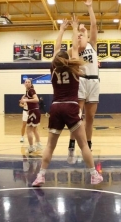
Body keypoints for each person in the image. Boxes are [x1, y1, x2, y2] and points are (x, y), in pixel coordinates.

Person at [31, 17, 102, 187]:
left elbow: (57, 48)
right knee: (84, 144)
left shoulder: (53, 67)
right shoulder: (74, 67)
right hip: (71, 107)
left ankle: (40, 176)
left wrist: (62, 29)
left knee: (49, 146)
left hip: (55, 107)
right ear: (68, 59)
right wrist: (76, 28)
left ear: (56, 59)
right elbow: (76, 47)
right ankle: (94, 175)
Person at [67, 0, 100, 154]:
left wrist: (89, 7)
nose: (80, 36)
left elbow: (93, 25)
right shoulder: (74, 50)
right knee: (77, 115)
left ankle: (88, 144)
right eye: (78, 35)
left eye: (83, 35)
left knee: (90, 118)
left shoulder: (92, 46)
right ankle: (72, 143)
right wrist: (77, 32)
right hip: (80, 82)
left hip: (94, 82)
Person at [22, 78, 43, 153]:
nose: (27, 83)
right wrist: (28, 110)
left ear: (31, 84)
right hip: (34, 111)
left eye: (28, 82)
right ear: (24, 84)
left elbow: (36, 100)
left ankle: (31, 147)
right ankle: (39, 144)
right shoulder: (28, 92)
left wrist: (26, 100)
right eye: (26, 82)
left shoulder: (31, 90)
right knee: (35, 129)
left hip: (34, 111)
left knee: (29, 130)